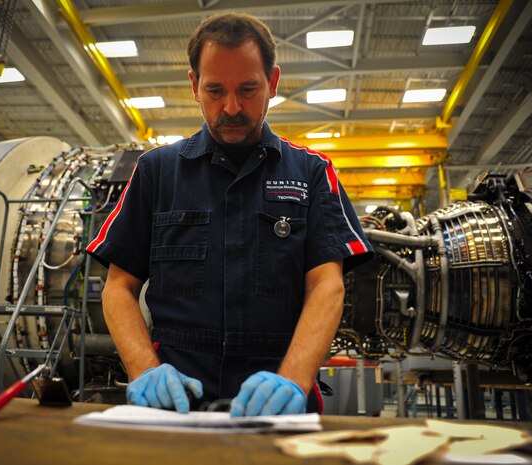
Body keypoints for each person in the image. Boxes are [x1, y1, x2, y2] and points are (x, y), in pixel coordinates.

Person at [86, 12, 372, 417]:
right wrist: (144, 370)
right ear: (193, 86)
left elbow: (328, 285)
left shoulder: (310, 173)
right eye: (215, 90)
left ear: (272, 84)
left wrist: (293, 378)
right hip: (175, 403)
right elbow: (118, 286)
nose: (232, 107)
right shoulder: (156, 172)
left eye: (249, 89)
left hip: (279, 408)